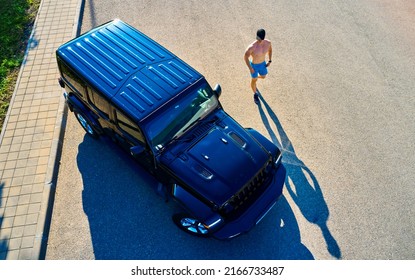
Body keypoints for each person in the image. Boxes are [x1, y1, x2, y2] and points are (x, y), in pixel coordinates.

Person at [244, 28, 272, 103]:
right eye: (258, 39)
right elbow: (245, 57)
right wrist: (250, 68)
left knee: (263, 76)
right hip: (254, 66)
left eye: (260, 39)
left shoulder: (268, 43)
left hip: (262, 64)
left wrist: (269, 60)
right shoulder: (252, 47)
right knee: (254, 79)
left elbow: (270, 50)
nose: (259, 41)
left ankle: (255, 79)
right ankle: (255, 94)